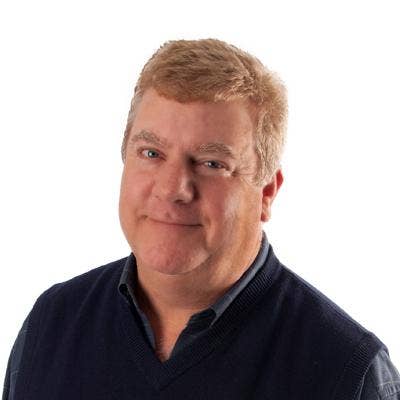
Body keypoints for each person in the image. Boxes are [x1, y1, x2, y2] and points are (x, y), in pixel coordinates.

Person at [2, 39, 399, 400]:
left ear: (266, 193)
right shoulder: (52, 324)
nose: (173, 188)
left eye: (211, 163)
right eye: (152, 153)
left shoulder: (347, 373)